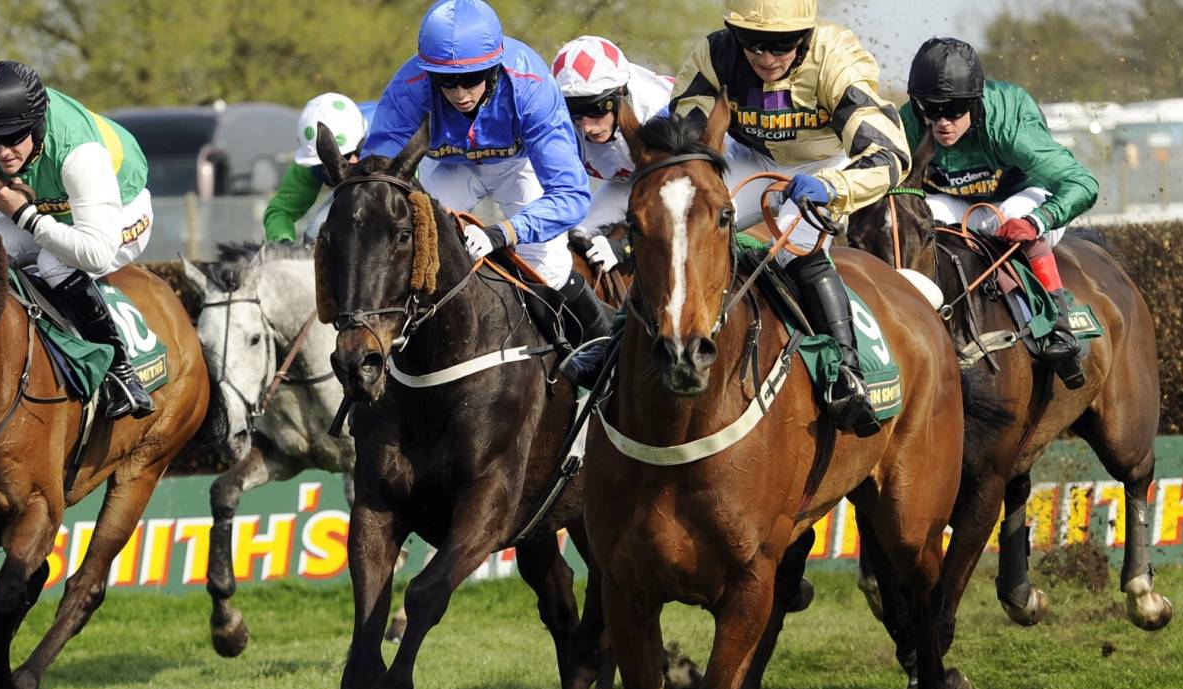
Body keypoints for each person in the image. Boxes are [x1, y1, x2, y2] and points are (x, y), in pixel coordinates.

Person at [659, 0, 913, 435]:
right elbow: (689, 138)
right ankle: (616, 340)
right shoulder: (715, 53)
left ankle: (846, 371)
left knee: (797, 245)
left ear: (806, 38)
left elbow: (890, 154)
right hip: (750, 157)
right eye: (753, 45)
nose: (766, 58)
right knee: (682, 225)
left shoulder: (834, 57)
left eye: (781, 47)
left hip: (824, 164)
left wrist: (835, 187)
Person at [360, 0, 607, 369]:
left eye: (471, 80)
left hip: (515, 166)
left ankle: (601, 353)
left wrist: (503, 233)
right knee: (407, 240)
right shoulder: (410, 86)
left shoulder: (531, 87)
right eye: (447, 82)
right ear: (430, 75)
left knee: (550, 264)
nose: (460, 94)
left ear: (494, 70)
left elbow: (571, 195)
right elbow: (377, 172)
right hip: (450, 168)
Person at [0, 60, 157, 418]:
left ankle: (120, 372)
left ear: (37, 124)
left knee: (55, 262)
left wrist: (24, 215)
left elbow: (96, 254)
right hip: (50, 213)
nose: (2, 152)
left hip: (120, 212)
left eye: (13, 138)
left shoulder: (79, 152)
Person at [899, 37, 1098, 387]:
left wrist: (1039, 220)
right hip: (959, 203)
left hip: (1025, 196)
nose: (942, 122)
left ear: (974, 103)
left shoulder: (1007, 125)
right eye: (931, 109)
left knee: (1011, 213)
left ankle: (1060, 331)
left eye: (955, 110)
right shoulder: (909, 124)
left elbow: (1083, 183)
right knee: (911, 220)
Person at [550, 34, 676, 275]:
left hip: (686, 178)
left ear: (621, 93)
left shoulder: (657, 114)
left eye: (596, 110)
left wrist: (627, 246)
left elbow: (675, 201)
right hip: (629, 182)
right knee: (575, 236)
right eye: (575, 112)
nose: (586, 126)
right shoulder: (561, 124)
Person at [262, 92, 376, 244]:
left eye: (343, 159)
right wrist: (284, 244)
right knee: (316, 237)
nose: (333, 169)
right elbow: (280, 211)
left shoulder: (384, 141)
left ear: (361, 145)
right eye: (323, 163)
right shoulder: (310, 161)